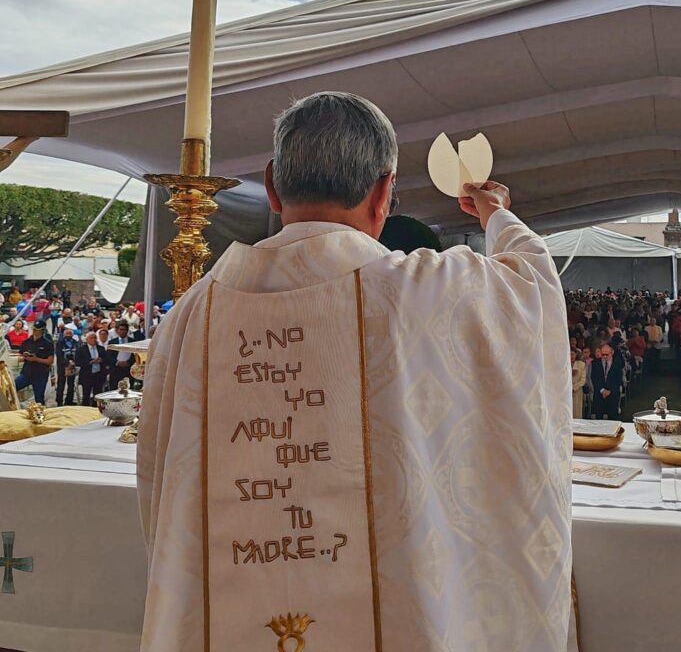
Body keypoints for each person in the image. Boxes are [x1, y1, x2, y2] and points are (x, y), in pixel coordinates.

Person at [137, 92, 573, 651]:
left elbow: (159, 473)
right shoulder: (424, 291)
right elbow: (531, 285)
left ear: (272, 184)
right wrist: (496, 211)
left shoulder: (196, 310)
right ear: (384, 191)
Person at [15, 320, 54, 405]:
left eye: (38, 330)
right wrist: (24, 356)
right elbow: (20, 355)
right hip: (26, 373)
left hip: (40, 374)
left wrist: (36, 359)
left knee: (39, 399)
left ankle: (40, 415)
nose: (35, 331)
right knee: (13, 387)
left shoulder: (48, 344)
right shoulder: (27, 342)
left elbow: (50, 361)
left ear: (42, 330)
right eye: (34, 329)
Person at [591, 344, 624, 420]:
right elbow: (594, 378)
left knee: (612, 418)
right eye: (603, 354)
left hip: (612, 394)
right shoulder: (595, 363)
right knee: (598, 418)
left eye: (607, 354)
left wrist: (610, 391)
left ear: (611, 353)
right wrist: (602, 390)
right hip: (599, 394)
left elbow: (618, 379)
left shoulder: (617, 363)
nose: (605, 356)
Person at [75, 331, 107, 407]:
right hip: (87, 375)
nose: (94, 339)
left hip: (98, 374)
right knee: (86, 394)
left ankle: (96, 408)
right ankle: (85, 409)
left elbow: (106, 359)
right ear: (87, 339)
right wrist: (90, 362)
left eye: (95, 338)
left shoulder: (101, 348)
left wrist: (101, 360)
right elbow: (77, 361)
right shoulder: (81, 349)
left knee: (98, 394)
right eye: (91, 338)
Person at [55, 325, 79, 406]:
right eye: (67, 333)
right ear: (64, 334)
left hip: (72, 366)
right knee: (61, 384)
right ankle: (59, 401)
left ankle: (69, 400)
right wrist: (66, 363)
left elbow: (78, 353)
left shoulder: (76, 343)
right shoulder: (59, 343)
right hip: (62, 366)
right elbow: (59, 355)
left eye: (70, 334)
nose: (68, 335)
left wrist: (73, 363)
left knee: (71, 384)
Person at [571, 348, 586, 419]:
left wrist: (574, 388)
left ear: (576, 354)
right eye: (569, 354)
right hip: (566, 392)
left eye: (572, 354)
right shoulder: (564, 364)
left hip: (577, 391)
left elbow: (583, 380)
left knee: (577, 413)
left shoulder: (581, 364)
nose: (570, 356)